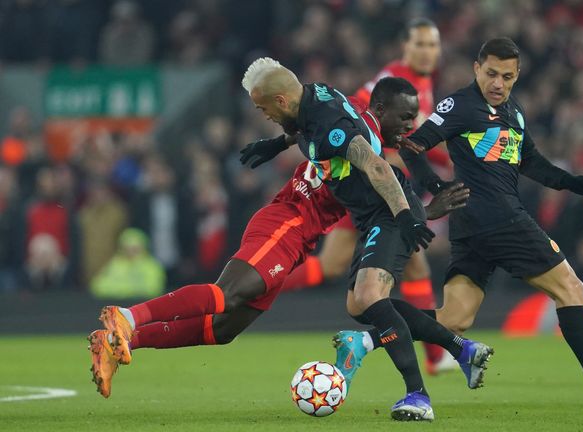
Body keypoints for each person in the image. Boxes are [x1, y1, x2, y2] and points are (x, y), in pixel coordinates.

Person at [87, 78, 472, 411]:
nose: (410, 126)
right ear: (381, 109)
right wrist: (420, 213)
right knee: (228, 293)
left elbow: (312, 126)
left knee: (224, 328)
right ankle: (129, 317)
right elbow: (379, 173)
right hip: (286, 221)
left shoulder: (345, 114)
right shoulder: (360, 139)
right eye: (405, 117)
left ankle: (122, 341)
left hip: (300, 237)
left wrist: (278, 143)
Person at [341, 38, 583, 415]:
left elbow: (532, 163)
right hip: (500, 218)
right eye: (491, 73)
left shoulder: (513, 111)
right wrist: (436, 188)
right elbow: (412, 145)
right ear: (477, 68)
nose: (498, 83)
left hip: (473, 225)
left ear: (517, 76)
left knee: (454, 319)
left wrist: (571, 182)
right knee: (571, 287)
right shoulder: (460, 104)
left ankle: (362, 342)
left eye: (506, 77)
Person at [241, 60, 493, 421]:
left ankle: (418, 396)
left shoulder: (329, 123)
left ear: (281, 100)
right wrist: (278, 143)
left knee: (371, 297)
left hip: (389, 212)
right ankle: (462, 349)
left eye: (262, 107)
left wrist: (406, 216)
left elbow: (375, 165)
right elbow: (309, 129)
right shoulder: (315, 97)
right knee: (360, 307)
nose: (262, 113)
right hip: (370, 217)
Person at [281, 18, 453, 374]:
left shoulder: (422, 82)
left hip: (377, 187)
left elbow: (409, 141)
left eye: (433, 45)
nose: (427, 51)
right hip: (370, 186)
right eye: (420, 44)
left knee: (342, 265)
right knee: (407, 261)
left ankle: (437, 355)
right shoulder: (392, 79)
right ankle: (438, 355)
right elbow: (360, 117)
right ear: (405, 47)